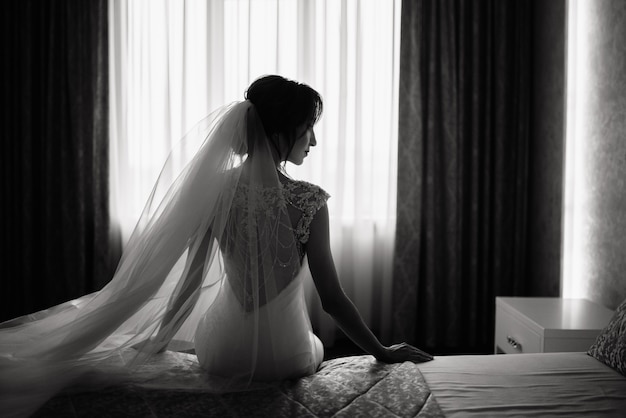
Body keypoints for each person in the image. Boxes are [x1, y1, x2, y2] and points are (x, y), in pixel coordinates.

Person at [0, 75, 432, 416]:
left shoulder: (218, 191)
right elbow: (333, 298)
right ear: (282, 131)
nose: (313, 142)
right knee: (317, 345)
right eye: (308, 129)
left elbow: (189, 285)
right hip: (286, 357)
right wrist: (380, 351)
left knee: (266, 336)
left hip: (220, 352)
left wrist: (157, 343)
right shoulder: (309, 200)